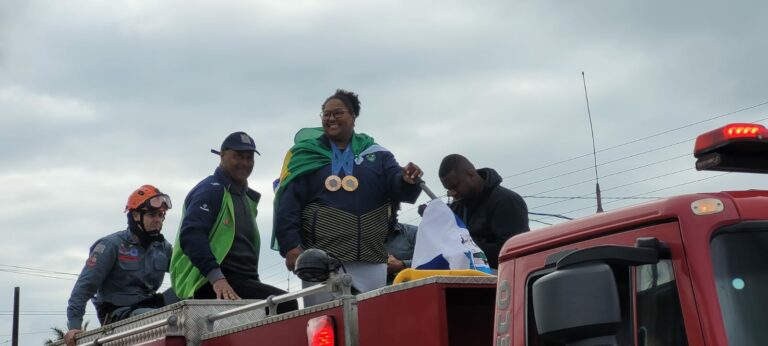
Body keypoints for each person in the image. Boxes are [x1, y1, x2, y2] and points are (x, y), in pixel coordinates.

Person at [273, 89, 423, 306]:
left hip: (371, 259)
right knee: (325, 325)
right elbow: (287, 204)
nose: (331, 118)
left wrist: (407, 179)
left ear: (353, 116)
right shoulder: (305, 154)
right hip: (320, 262)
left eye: (338, 113)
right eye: (326, 114)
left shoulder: (377, 154)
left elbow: (397, 184)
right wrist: (291, 247)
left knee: (371, 324)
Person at [170, 132, 297, 313]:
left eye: (249, 158)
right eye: (238, 156)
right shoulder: (211, 190)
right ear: (222, 155)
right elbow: (191, 235)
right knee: (285, 304)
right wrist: (217, 278)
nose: (244, 163)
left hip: (241, 281)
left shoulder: (245, 197)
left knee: (279, 304)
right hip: (208, 283)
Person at [65, 185, 173, 346]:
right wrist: (74, 327)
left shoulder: (162, 247)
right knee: (162, 318)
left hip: (151, 307)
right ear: (136, 215)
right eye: (152, 215)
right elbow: (84, 287)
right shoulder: (110, 245)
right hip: (119, 315)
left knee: (191, 297)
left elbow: (186, 270)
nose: (158, 220)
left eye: (161, 215)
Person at [438, 154, 529, 269]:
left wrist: (466, 245)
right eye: (448, 189)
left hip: (502, 281)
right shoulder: (458, 207)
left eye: (454, 186)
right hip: (467, 280)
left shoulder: (506, 201)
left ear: (471, 175)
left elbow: (514, 253)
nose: (451, 193)